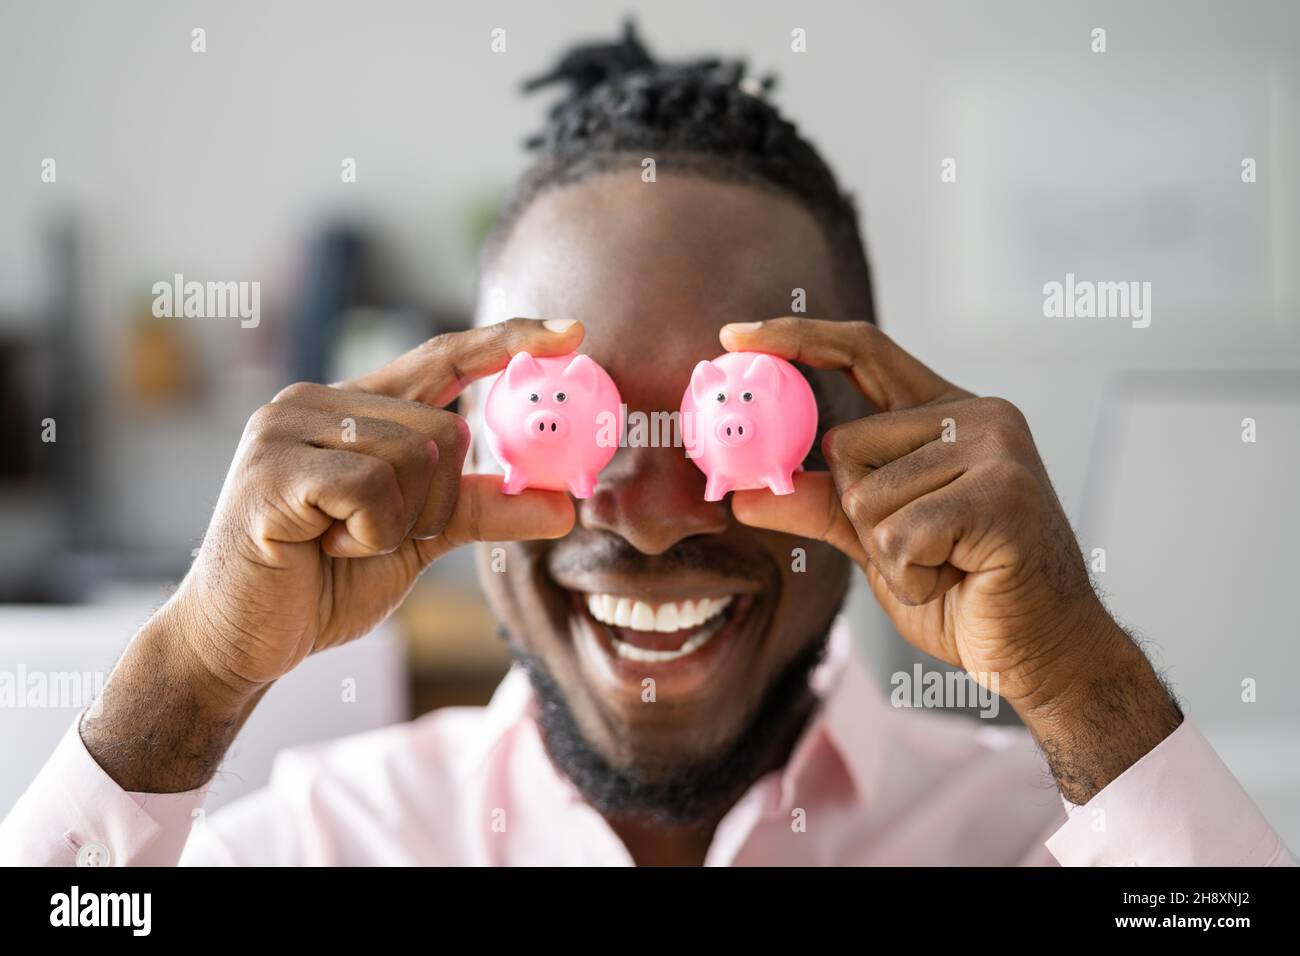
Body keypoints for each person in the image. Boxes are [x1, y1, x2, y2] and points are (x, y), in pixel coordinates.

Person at [1, 25, 1291, 866]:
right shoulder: (320, 846)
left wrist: (1079, 683)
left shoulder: (1051, 836)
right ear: (473, 431)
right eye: (580, 415)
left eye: (737, 420)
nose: (657, 515)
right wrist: (192, 677)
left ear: (873, 441)